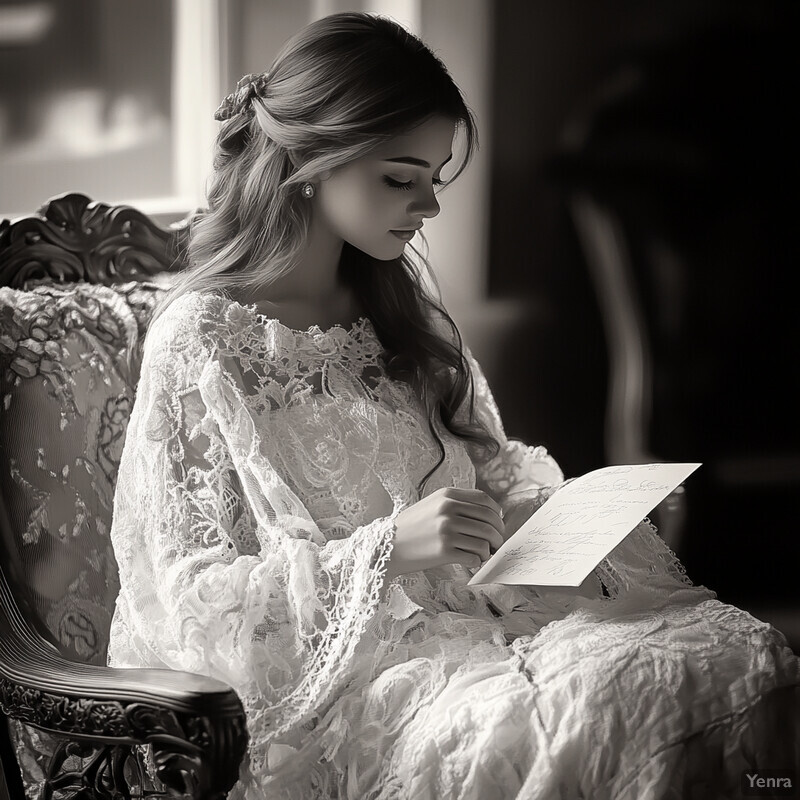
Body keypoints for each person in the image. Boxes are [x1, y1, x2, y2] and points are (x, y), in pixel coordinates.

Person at [108, 12, 800, 799]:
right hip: (350, 694)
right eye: (400, 178)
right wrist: (381, 552)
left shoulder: (404, 311)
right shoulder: (201, 339)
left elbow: (494, 477)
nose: (428, 206)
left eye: (434, 176)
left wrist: (583, 513)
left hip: (491, 627)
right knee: (601, 716)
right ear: (306, 161)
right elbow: (186, 603)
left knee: (733, 658)